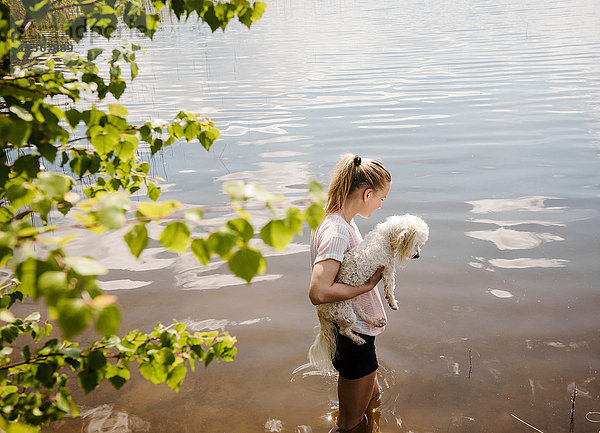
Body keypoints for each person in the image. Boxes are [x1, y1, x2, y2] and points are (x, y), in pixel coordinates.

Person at [309, 154, 392, 433]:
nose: (381, 204)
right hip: (350, 334)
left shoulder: (342, 220)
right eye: (382, 198)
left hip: (358, 332)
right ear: (368, 193)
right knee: (350, 424)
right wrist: (366, 287)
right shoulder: (337, 231)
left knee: (373, 399)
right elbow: (319, 291)